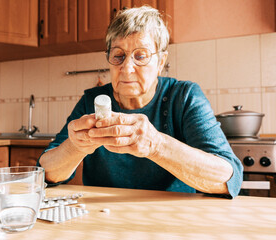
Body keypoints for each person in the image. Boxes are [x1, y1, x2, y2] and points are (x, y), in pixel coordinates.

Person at [39, 6, 243, 198]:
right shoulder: (92, 100)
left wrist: (156, 145)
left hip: (172, 217)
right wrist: (76, 147)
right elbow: (46, 173)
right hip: (104, 216)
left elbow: (228, 178)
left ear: (160, 62)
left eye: (141, 56)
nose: (127, 68)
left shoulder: (184, 96)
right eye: (118, 56)